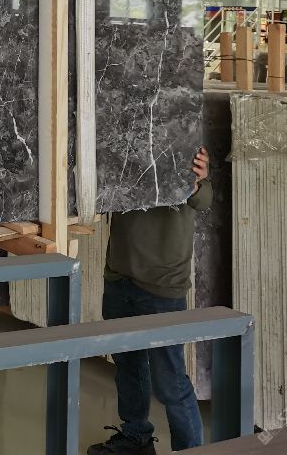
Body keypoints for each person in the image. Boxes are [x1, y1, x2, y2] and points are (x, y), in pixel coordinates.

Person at [87, 147, 212, 454]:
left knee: (170, 381)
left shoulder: (179, 132)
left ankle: (189, 449)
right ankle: (136, 437)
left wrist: (200, 181)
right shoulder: (124, 137)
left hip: (162, 285)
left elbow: (203, 200)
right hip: (120, 274)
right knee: (128, 367)